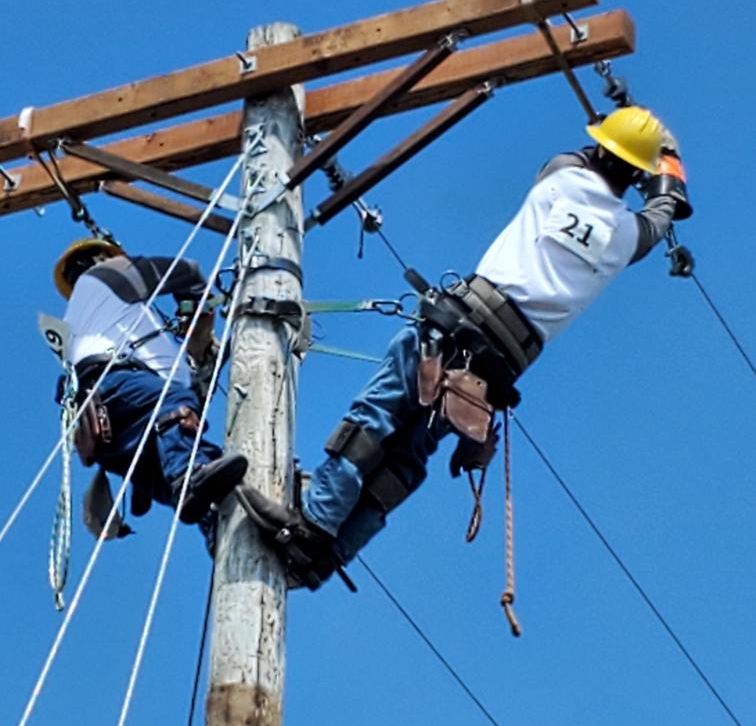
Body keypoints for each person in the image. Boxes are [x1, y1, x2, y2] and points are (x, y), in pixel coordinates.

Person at [240, 106, 693, 589]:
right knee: (408, 455)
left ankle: (313, 522)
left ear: (600, 149)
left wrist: (634, 136)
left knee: (375, 418)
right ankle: (327, 556)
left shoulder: (561, 182)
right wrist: (669, 170)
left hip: (460, 327)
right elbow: (659, 220)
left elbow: (575, 156)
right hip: (496, 368)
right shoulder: (625, 238)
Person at [53, 237, 247, 542]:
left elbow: (186, 380)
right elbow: (188, 272)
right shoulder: (103, 276)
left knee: (179, 470)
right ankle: (188, 475)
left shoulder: (98, 320)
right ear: (100, 258)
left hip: (103, 423)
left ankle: (215, 525)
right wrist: (197, 308)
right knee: (175, 411)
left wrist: (198, 354)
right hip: (117, 387)